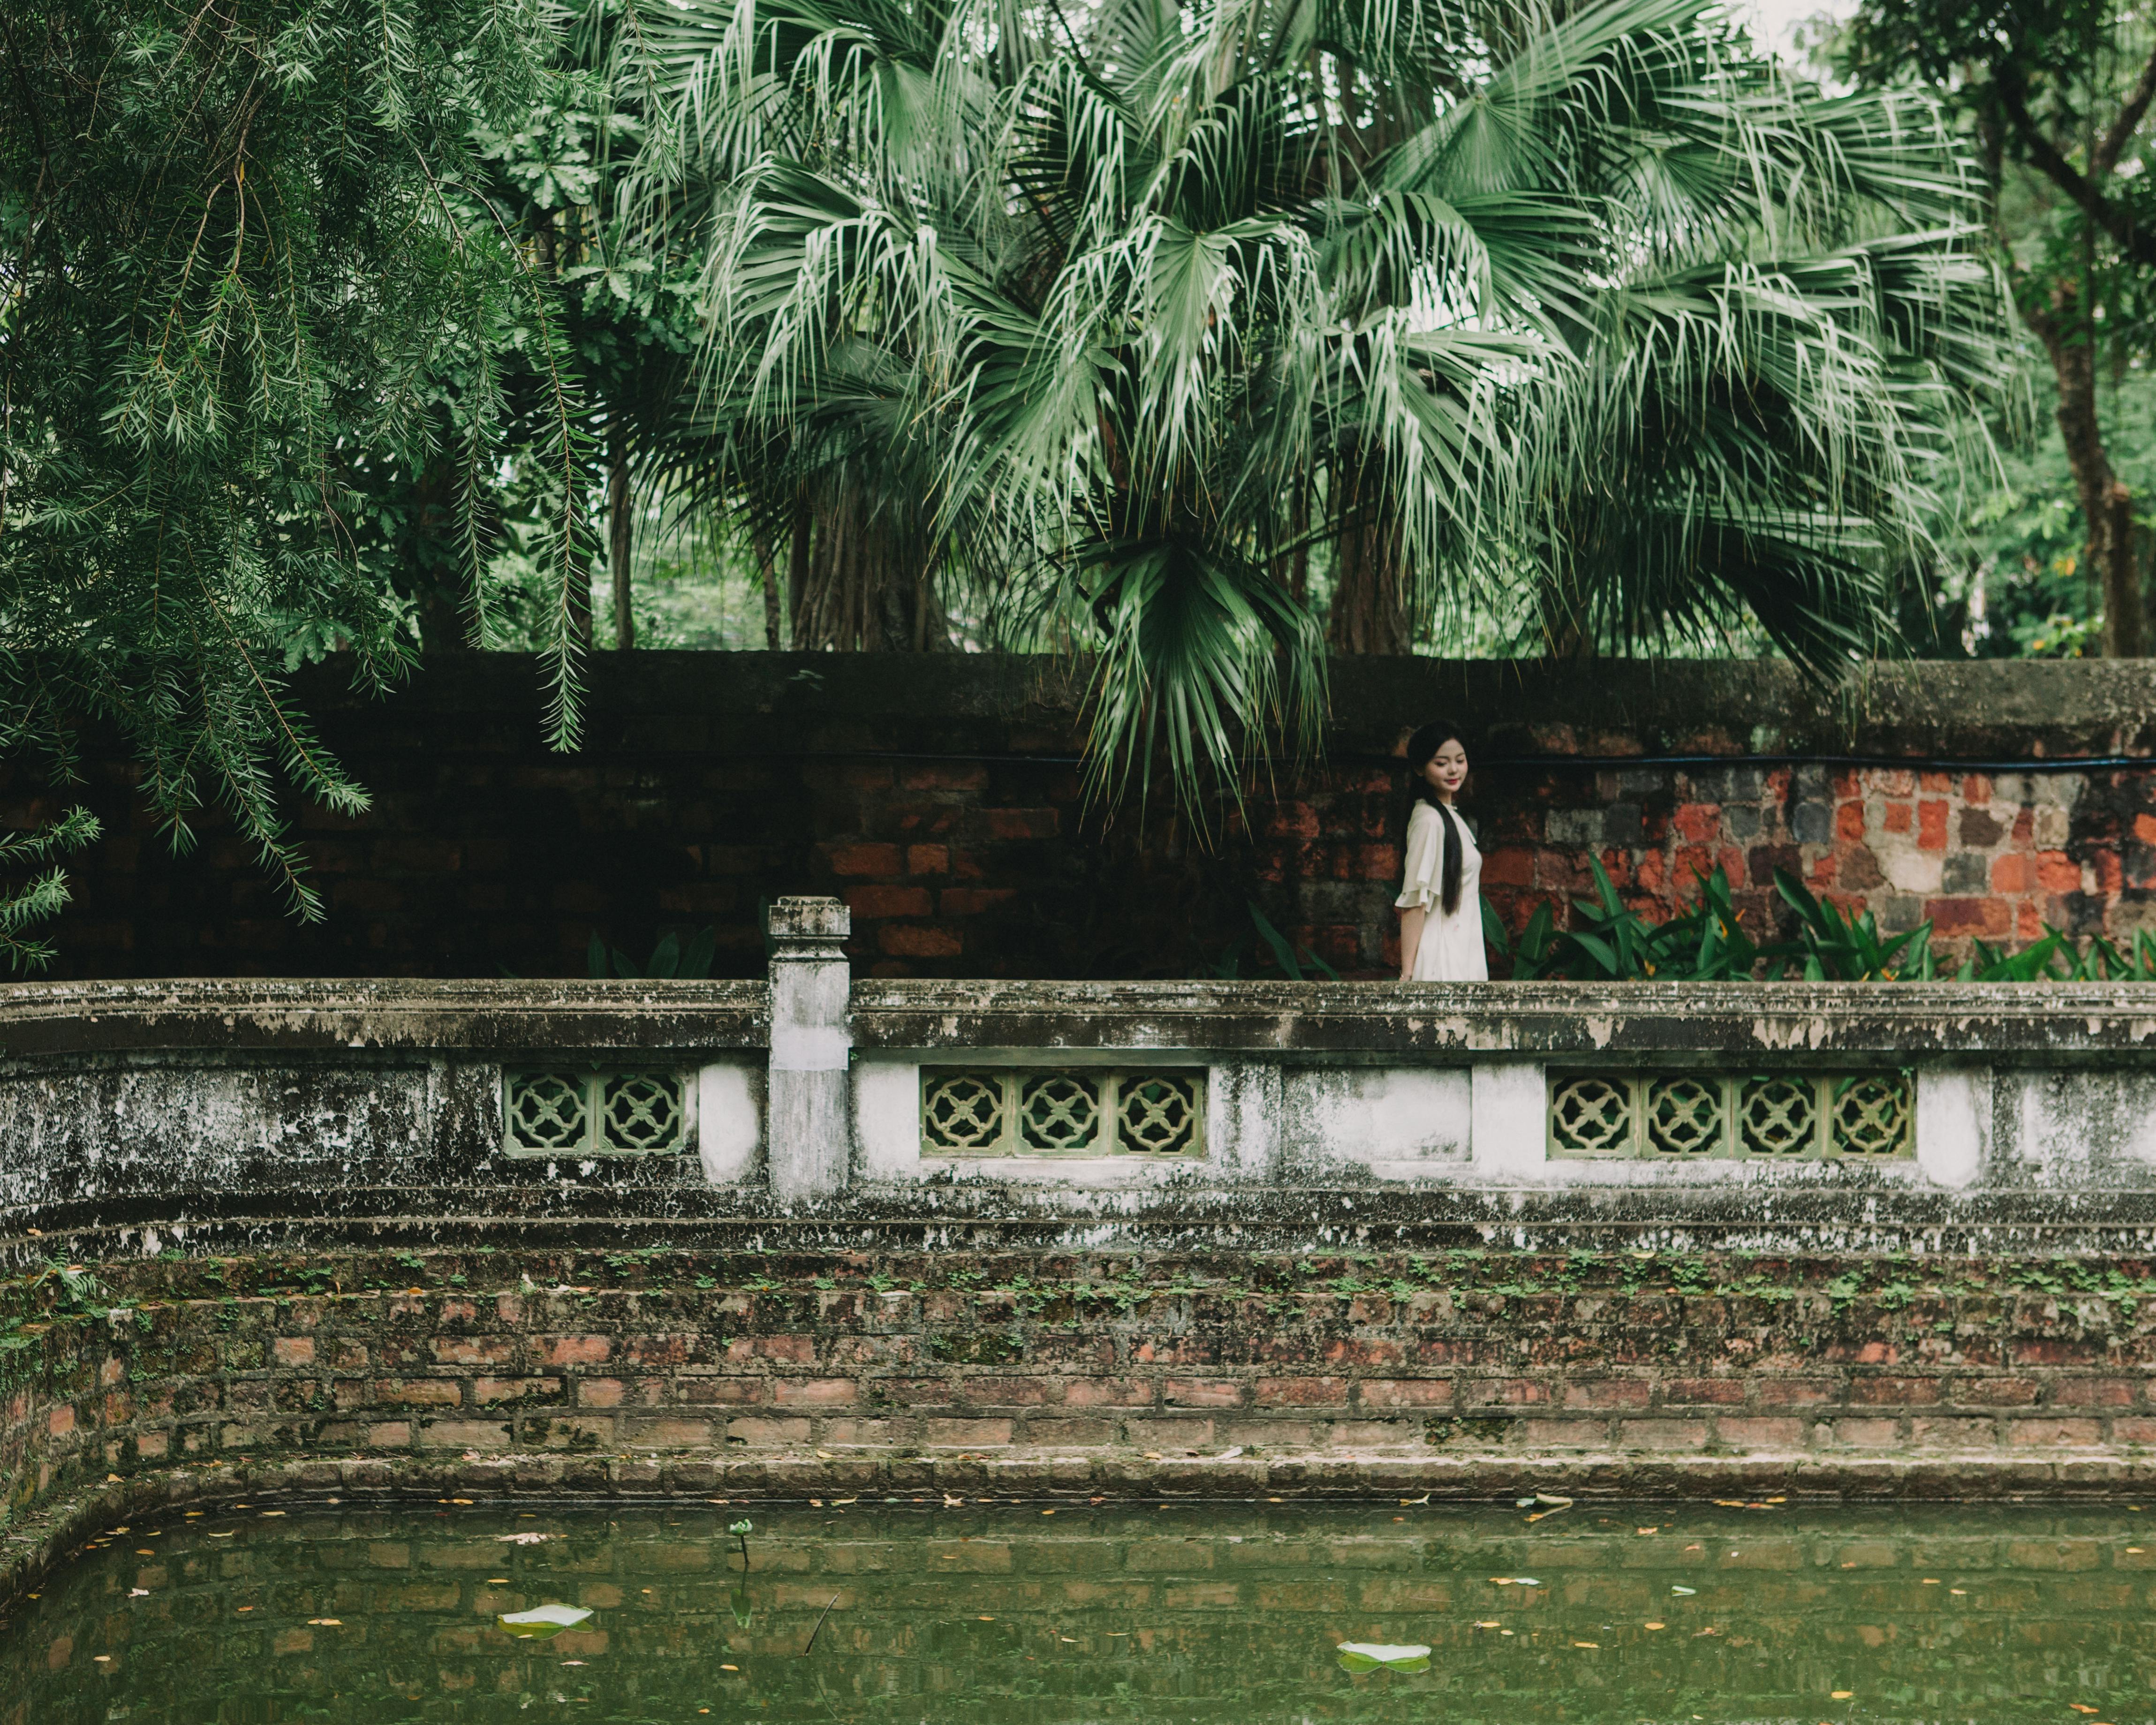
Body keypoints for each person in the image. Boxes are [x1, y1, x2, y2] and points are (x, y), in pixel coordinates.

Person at [1396, 718, 1488, 982]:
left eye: (1460, 760)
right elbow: (1415, 902)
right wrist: (1408, 975)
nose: (1453, 770)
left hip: (1462, 954)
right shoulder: (1429, 820)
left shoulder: (1450, 817)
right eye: (1441, 763)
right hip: (1442, 960)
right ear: (1419, 768)